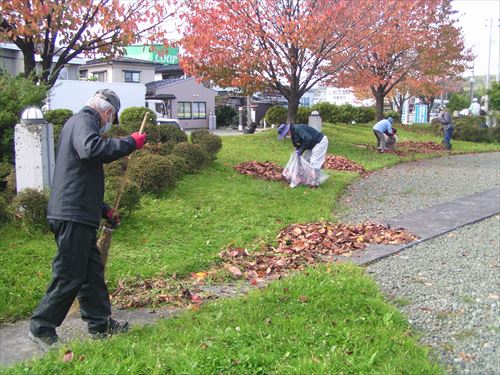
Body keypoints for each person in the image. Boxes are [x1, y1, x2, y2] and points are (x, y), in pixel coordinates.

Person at [29, 89, 147, 351]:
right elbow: (91, 150)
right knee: (70, 273)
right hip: (72, 214)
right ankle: (41, 326)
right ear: (107, 112)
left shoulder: (79, 124)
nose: (108, 124)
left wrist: (105, 210)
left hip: (78, 211)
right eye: (110, 119)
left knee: (91, 273)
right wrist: (130, 143)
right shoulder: (84, 121)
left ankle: (100, 324)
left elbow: (81, 177)